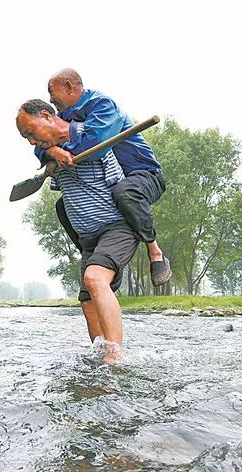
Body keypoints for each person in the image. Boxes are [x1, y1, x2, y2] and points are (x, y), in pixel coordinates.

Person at [16, 99, 139, 364]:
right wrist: (52, 158)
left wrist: (70, 154)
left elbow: (121, 187)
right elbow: (45, 157)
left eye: (30, 133)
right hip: (89, 238)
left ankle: (115, 358)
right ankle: (99, 355)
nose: (31, 141)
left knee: (95, 279)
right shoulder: (48, 152)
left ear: (47, 116)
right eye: (26, 137)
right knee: (87, 299)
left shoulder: (94, 138)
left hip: (117, 227)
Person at [35, 68, 172, 287]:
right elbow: (41, 142)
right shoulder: (64, 116)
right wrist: (52, 151)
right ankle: (96, 256)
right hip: (111, 183)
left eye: (52, 92)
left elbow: (95, 145)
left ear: (69, 87)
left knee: (125, 193)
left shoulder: (102, 105)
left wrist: (60, 150)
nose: (50, 99)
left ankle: (155, 252)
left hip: (142, 175)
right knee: (64, 206)